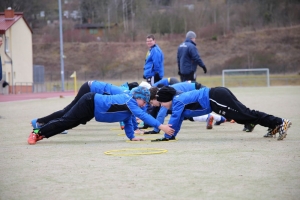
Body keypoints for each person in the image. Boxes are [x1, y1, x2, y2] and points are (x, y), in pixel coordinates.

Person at [27, 86, 175, 145]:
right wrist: (161, 126)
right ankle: (36, 132)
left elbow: (129, 120)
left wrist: (131, 137)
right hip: (90, 102)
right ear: (138, 97)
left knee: (70, 124)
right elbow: (143, 116)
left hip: (92, 109)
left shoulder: (131, 106)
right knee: (66, 120)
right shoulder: (130, 101)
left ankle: (42, 135)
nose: (145, 104)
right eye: (144, 101)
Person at [152, 86, 291, 141]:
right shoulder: (177, 102)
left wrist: (166, 136)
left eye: (162, 102)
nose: (162, 106)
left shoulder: (177, 101)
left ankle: (279, 122)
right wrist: (171, 136)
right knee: (243, 118)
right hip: (216, 98)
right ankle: (274, 126)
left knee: (246, 115)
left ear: (166, 99)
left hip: (215, 97)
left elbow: (175, 119)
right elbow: (178, 119)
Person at [30, 81, 139, 132]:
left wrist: (134, 128)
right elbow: (125, 110)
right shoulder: (124, 94)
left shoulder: (127, 93)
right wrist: (134, 128)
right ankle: (39, 122)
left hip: (90, 90)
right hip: (89, 90)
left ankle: (52, 124)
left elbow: (125, 112)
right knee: (67, 112)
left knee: (67, 113)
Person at [144, 82, 226, 134]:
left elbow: (161, 114)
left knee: (195, 111)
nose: (152, 105)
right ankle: (221, 118)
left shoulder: (163, 97)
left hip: (196, 89)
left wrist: (156, 129)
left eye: (151, 102)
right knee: (187, 114)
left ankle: (222, 117)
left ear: (155, 97)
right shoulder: (163, 92)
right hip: (193, 88)